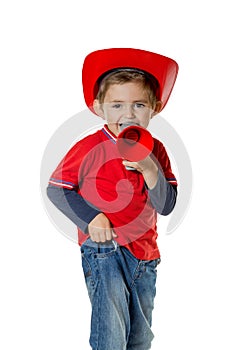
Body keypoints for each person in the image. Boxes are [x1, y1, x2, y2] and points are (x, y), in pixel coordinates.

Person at [47, 48, 179, 350]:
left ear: (155, 107)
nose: (129, 114)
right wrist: (91, 217)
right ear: (99, 107)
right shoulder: (89, 147)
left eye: (139, 104)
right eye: (117, 104)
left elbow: (166, 204)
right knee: (111, 335)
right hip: (105, 251)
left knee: (141, 338)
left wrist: (149, 167)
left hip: (145, 255)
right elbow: (57, 188)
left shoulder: (156, 150)